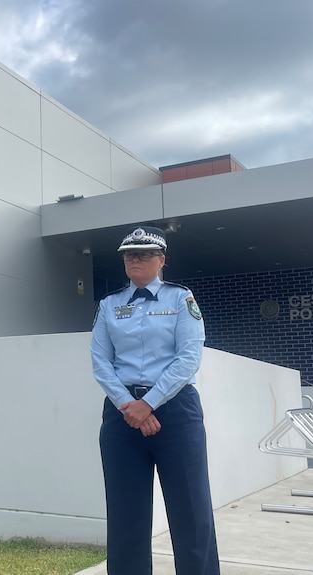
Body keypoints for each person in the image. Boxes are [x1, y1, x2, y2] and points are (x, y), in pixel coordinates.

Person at [90, 226, 219, 575]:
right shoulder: (109, 304)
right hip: (121, 414)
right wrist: (128, 405)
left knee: (190, 509)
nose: (135, 258)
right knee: (125, 512)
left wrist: (149, 403)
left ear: (161, 260)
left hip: (176, 410)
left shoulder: (181, 298)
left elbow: (189, 356)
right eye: (129, 254)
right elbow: (101, 363)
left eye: (144, 253)